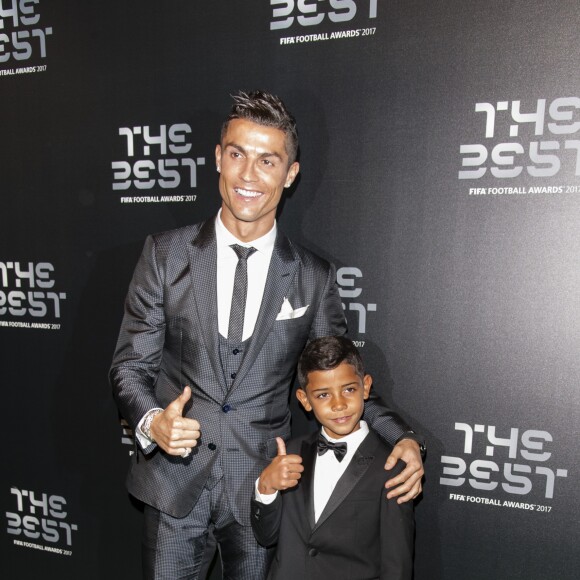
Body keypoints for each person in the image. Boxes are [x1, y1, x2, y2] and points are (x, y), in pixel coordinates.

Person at [109, 90, 424, 579]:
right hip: (174, 487)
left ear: (290, 174)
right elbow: (131, 366)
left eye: (267, 161)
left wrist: (399, 434)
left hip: (262, 489)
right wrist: (153, 422)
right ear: (218, 158)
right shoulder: (165, 255)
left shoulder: (312, 277)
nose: (248, 176)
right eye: (237, 155)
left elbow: (337, 373)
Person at [251, 336, 415, 579]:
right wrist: (265, 488)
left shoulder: (391, 467)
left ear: (366, 386)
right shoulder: (290, 453)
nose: (339, 404)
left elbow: (396, 566)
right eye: (323, 395)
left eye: (349, 389)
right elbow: (265, 537)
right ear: (305, 400)